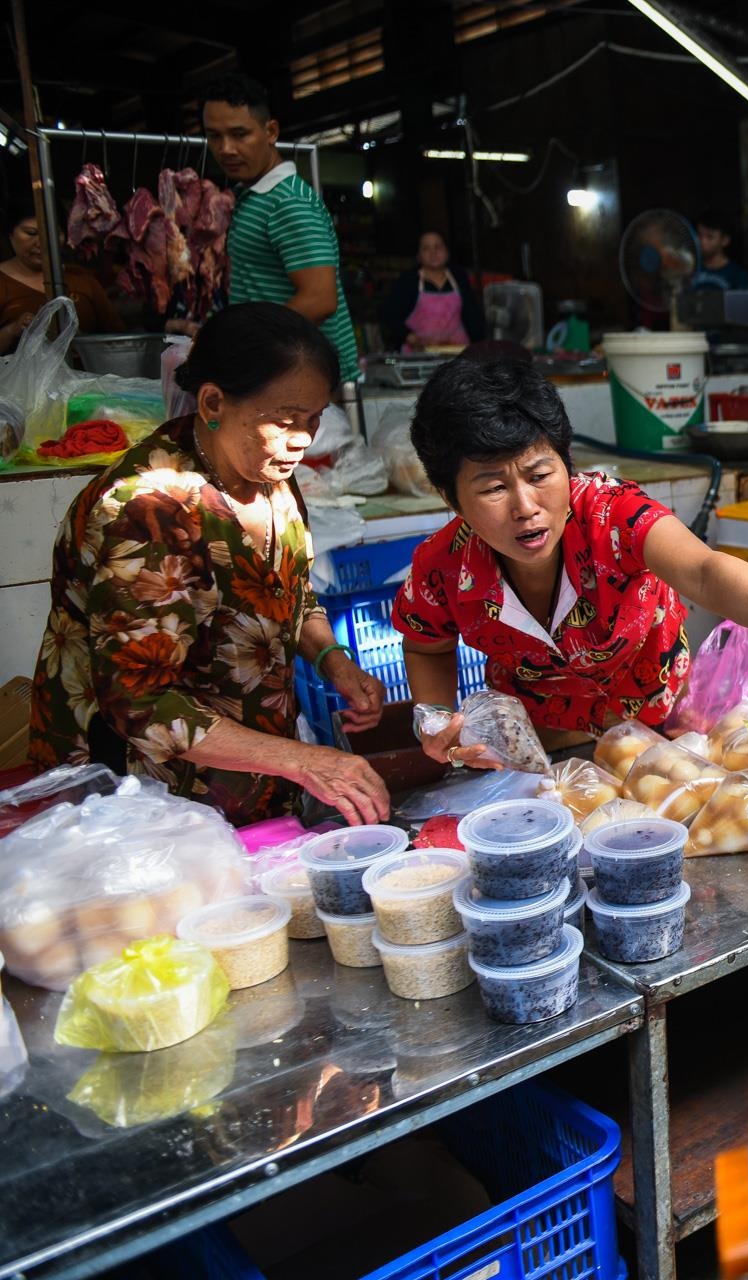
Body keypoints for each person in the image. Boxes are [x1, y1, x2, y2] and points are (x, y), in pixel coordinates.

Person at [394, 357, 748, 758]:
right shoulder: (442, 567)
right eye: (494, 487)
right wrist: (434, 717)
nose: (526, 508)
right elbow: (425, 646)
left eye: (540, 475)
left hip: (665, 722)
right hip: (541, 743)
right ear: (449, 496)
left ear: (566, 465)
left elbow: (702, 569)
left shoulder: (612, 514)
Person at [29, 303, 390, 826]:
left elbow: (287, 591)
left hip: (247, 781)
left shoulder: (269, 476)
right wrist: (306, 761)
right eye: (287, 420)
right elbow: (141, 703)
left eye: (314, 420)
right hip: (144, 801)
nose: (304, 440)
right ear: (214, 400)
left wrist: (334, 660)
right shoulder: (148, 511)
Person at [202, 73, 361, 393]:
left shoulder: (289, 201)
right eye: (214, 136)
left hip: (310, 382)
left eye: (239, 134)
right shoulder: (254, 196)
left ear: (271, 131)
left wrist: (247, 342)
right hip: (281, 373)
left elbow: (319, 299)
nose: (226, 149)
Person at [0, 201, 124, 352]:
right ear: (10, 234)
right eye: (31, 233)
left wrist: (80, 340)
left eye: (52, 233)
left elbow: (116, 338)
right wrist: (11, 330)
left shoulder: (80, 278)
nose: (42, 243)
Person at [379, 230, 485, 352]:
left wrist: (479, 348)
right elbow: (389, 315)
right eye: (426, 248)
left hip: (456, 351)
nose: (433, 253)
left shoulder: (459, 276)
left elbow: (472, 316)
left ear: (447, 252)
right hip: (418, 355)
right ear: (418, 256)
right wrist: (411, 338)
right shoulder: (408, 280)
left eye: (438, 247)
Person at [693, 211, 748, 292]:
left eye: (710, 237)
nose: (702, 241)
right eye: (699, 235)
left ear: (725, 240)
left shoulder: (737, 275)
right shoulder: (689, 270)